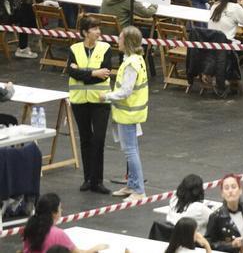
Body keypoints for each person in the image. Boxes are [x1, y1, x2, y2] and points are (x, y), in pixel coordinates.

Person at [66, 15, 114, 194]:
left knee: (98, 140)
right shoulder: (74, 49)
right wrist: (94, 73)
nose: (98, 32)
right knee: (85, 139)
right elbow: (71, 72)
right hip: (80, 101)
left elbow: (106, 72)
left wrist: (83, 73)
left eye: (98, 28)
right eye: (94, 29)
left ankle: (98, 180)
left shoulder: (106, 48)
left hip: (100, 101)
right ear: (85, 32)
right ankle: (88, 178)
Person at [104, 27, 149, 200]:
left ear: (127, 42)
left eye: (120, 38)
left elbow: (125, 91)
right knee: (132, 149)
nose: (118, 41)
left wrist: (106, 97)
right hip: (131, 112)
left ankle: (139, 191)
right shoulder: (136, 59)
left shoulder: (131, 64)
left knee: (130, 151)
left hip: (128, 113)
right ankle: (132, 185)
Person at [21, 193, 105, 253]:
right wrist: (94, 249)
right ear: (54, 212)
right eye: (60, 207)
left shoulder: (30, 228)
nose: (62, 210)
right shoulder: (58, 234)